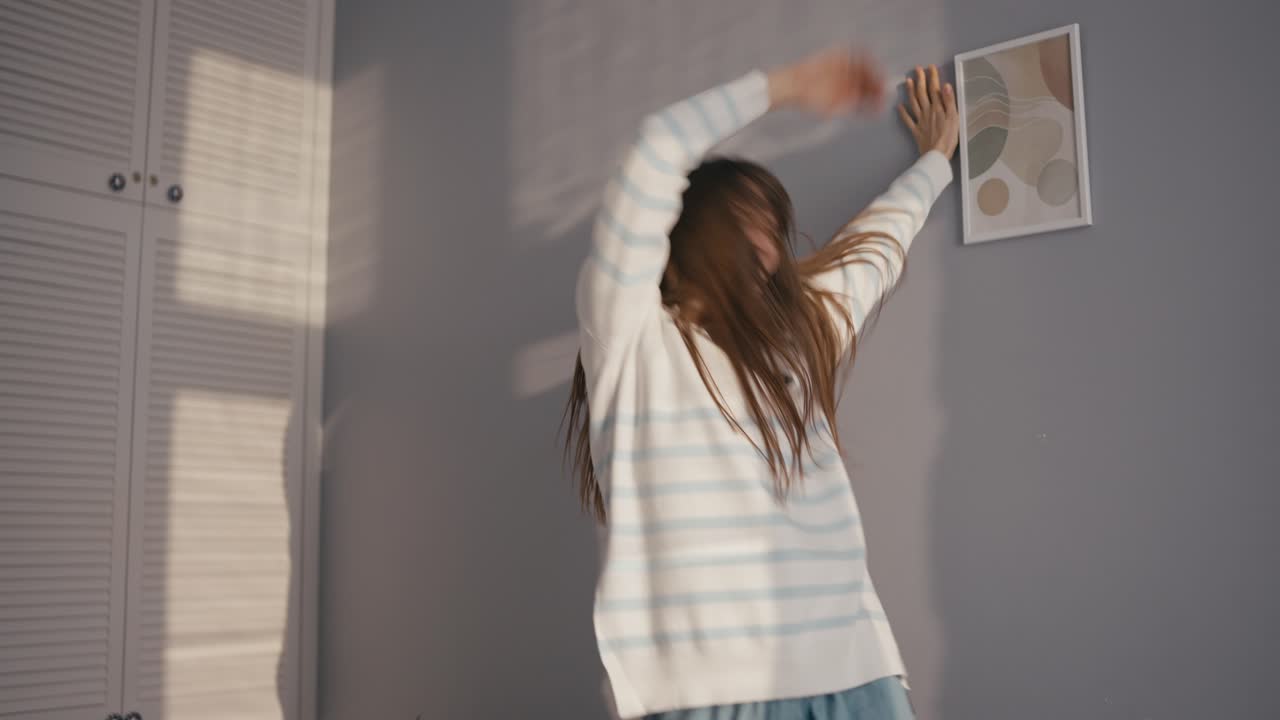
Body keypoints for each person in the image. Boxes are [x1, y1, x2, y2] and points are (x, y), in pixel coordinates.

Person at [561, 47, 960, 720]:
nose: (771, 249)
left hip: (858, 674)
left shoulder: (795, 342)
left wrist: (936, 160)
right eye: (749, 224)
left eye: (773, 229)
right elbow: (656, 151)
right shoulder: (631, 339)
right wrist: (788, 87)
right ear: (691, 232)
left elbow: (877, 246)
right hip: (708, 694)